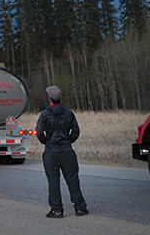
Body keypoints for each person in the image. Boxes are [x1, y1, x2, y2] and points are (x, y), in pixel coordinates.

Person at [35, 85, 89, 218]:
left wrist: (46, 142)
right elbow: (76, 131)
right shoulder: (69, 113)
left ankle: (57, 210)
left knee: (53, 181)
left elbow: (39, 132)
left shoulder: (45, 115)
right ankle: (80, 208)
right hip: (67, 151)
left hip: (51, 152)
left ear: (49, 99)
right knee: (72, 179)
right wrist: (69, 140)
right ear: (60, 98)